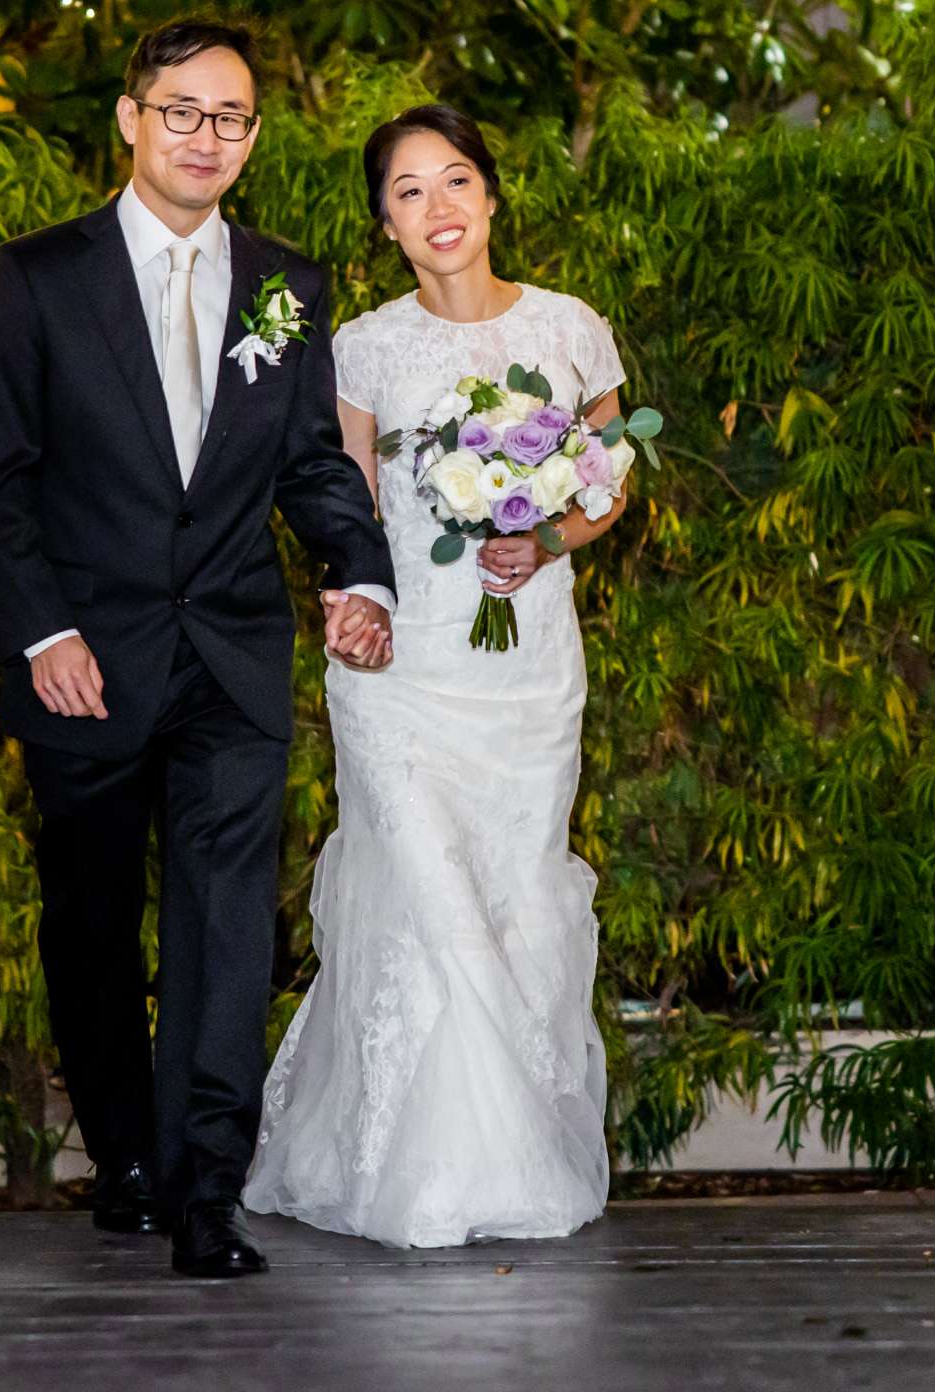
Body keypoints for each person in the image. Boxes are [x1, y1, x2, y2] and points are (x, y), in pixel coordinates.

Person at [0, 17, 397, 1279]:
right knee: (91, 919)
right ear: (131, 118)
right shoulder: (38, 275)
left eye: (234, 117)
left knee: (225, 923)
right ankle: (127, 1156)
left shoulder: (288, 285)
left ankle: (210, 1184)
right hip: (83, 655)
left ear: (253, 137)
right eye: (185, 111)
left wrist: (355, 567)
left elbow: (313, 462)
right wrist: (41, 627)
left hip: (231, 653)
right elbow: (1, 474)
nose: (209, 137)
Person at [242, 103, 628, 1247]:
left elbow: (609, 478)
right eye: (408, 193)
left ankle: (510, 1157)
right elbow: (343, 497)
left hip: (527, 663)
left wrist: (546, 537)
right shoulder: (361, 345)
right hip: (401, 666)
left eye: (455, 180)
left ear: (493, 195)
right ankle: (423, 1176)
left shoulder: (570, 329)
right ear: (386, 226)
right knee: (426, 901)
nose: (438, 208)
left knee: (511, 892)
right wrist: (349, 596)